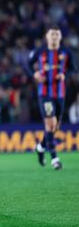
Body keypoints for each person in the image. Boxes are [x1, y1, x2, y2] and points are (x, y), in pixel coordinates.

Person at [28, 25, 77, 170]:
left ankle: (40, 147)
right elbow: (28, 64)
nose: (54, 36)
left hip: (60, 93)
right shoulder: (40, 51)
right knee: (50, 124)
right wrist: (34, 74)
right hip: (45, 93)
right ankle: (55, 159)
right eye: (52, 34)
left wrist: (65, 75)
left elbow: (73, 68)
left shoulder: (66, 52)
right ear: (47, 36)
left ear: (60, 37)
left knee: (55, 127)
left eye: (57, 34)